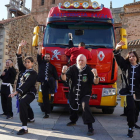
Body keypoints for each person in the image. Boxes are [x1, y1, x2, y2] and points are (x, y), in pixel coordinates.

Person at [61, 54, 99, 136]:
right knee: (72, 106)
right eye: (79, 60)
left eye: (82, 60)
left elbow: (96, 82)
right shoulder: (72, 68)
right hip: (73, 93)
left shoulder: (89, 69)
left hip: (85, 93)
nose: (80, 62)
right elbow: (64, 78)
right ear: (76, 61)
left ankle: (90, 126)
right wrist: (63, 72)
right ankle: (73, 120)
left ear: (86, 61)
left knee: (85, 106)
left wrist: (96, 75)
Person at [9, 40, 37, 135]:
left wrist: (16, 92)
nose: (26, 63)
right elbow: (19, 58)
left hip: (30, 92)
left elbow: (27, 84)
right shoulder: (22, 70)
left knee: (23, 102)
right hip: (22, 93)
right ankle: (31, 118)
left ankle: (24, 128)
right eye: (25, 62)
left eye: (28, 62)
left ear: (32, 63)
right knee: (25, 104)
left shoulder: (33, 73)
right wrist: (19, 46)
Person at [113, 40, 140, 138]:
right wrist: (117, 48)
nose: (132, 58)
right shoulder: (126, 67)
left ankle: (134, 122)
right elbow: (118, 58)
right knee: (131, 109)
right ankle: (130, 128)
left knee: (136, 112)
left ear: (137, 57)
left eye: (133, 56)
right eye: (130, 56)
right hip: (129, 93)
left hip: (138, 94)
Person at [37, 42, 59, 118]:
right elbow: (38, 55)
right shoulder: (41, 63)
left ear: (50, 58)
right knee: (45, 98)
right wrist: (40, 47)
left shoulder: (52, 67)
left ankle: (52, 94)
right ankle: (47, 113)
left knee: (52, 78)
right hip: (43, 83)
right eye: (46, 57)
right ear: (44, 58)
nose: (47, 58)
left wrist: (57, 86)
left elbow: (56, 77)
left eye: (48, 57)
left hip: (50, 83)